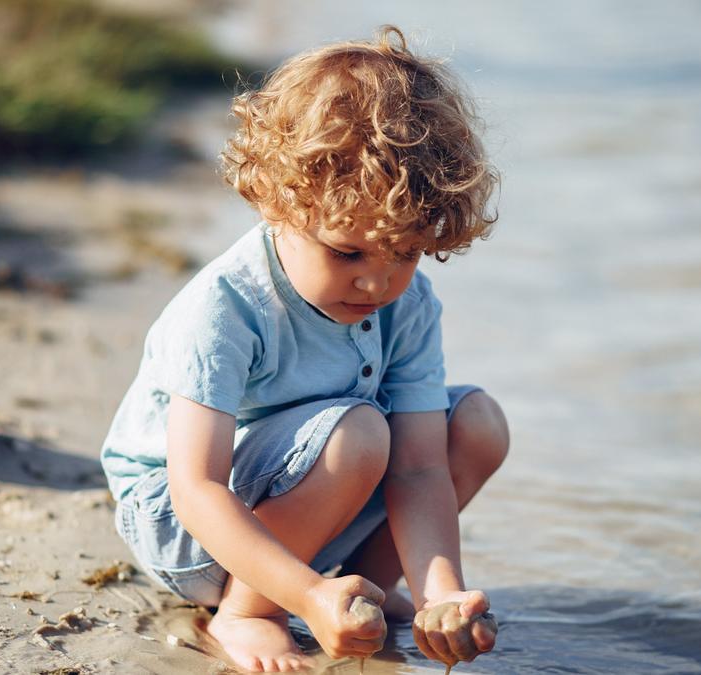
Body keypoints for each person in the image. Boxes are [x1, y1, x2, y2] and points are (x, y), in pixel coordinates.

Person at [101, 25, 508, 673]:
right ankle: (250, 610)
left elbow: (422, 469)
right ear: (276, 201)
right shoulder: (227, 306)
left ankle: (369, 592)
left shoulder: (409, 305)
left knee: (478, 425)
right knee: (362, 432)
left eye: (403, 251)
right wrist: (302, 593)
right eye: (347, 251)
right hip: (193, 529)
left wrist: (443, 592)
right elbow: (195, 486)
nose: (376, 280)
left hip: (315, 498)